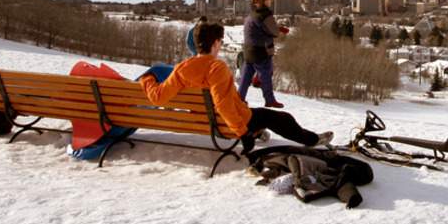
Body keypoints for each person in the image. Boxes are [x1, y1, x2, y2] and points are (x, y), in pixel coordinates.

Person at [140, 21, 329, 153]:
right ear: (215, 43)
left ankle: (258, 132)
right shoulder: (216, 67)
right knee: (280, 118)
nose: (221, 45)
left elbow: (157, 97)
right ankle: (312, 140)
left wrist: (147, 78)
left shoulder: (183, 68)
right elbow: (222, 105)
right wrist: (243, 133)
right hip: (227, 122)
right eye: (221, 41)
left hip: (203, 120)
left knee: (253, 112)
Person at [238, 0, 289, 108]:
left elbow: (261, 29)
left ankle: (239, 98)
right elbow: (273, 32)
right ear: (264, 0)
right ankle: (269, 100)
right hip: (261, 51)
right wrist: (280, 30)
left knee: (246, 77)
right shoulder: (265, 14)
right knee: (266, 75)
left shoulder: (252, 14)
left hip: (249, 50)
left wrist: (277, 28)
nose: (270, 0)